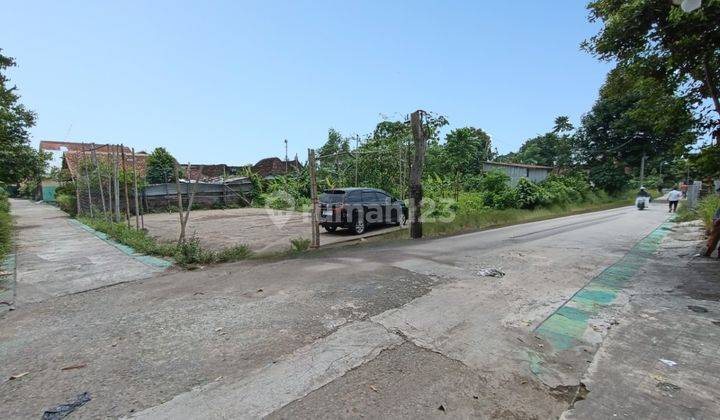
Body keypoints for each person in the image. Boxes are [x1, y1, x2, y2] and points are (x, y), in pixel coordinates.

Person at [705, 186, 720, 258]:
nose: (718, 194)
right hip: (717, 222)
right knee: (713, 238)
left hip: (718, 223)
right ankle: (708, 253)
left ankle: (708, 254)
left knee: (713, 238)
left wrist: (717, 220)